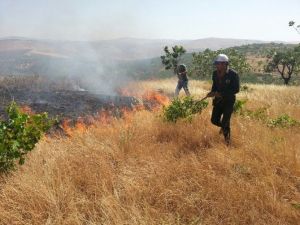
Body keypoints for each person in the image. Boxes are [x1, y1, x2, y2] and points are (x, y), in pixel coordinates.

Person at [206, 54, 240, 144]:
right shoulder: (214, 73)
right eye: (216, 63)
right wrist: (212, 92)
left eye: (219, 63)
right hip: (218, 101)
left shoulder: (233, 74)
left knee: (225, 122)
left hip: (228, 101)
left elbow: (236, 89)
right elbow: (215, 86)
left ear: (225, 64)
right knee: (214, 120)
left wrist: (220, 94)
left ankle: (227, 142)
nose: (217, 65)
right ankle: (224, 126)